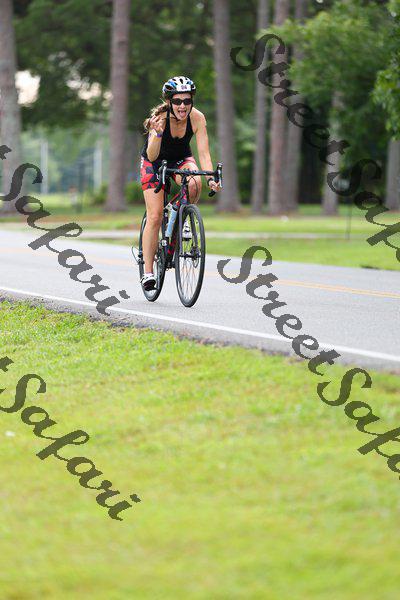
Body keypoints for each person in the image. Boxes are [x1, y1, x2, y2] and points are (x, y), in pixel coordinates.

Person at [140, 75, 220, 291]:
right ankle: (148, 272)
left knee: (194, 182)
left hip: (181, 158)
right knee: (155, 215)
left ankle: (181, 216)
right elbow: (152, 155)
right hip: (154, 162)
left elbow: (204, 153)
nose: (182, 106)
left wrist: (211, 178)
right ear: (169, 102)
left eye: (187, 101)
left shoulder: (198, 118)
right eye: (177, 101)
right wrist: (157, 134)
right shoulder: (160, 118)